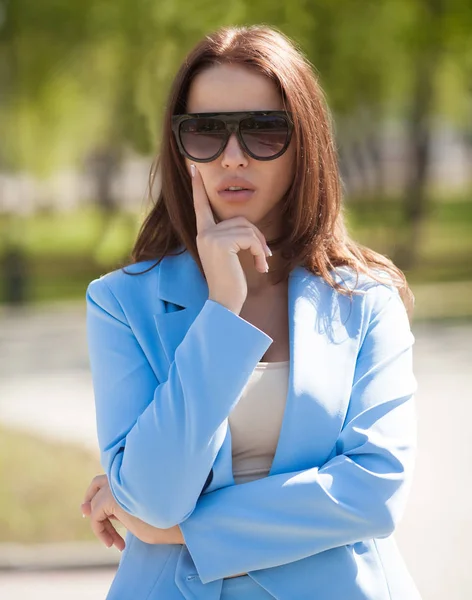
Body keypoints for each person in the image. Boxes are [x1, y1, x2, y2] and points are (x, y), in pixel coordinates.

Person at [81, 24, 421, 600]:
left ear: (304, 142)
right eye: (206, 132)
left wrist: (187, 529)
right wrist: (221, 312)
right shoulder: (121, 304)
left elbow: (374, 490)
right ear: (180, 147)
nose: (232, 156)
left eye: (263, 131)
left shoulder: (367, 301)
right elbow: (155, 496)